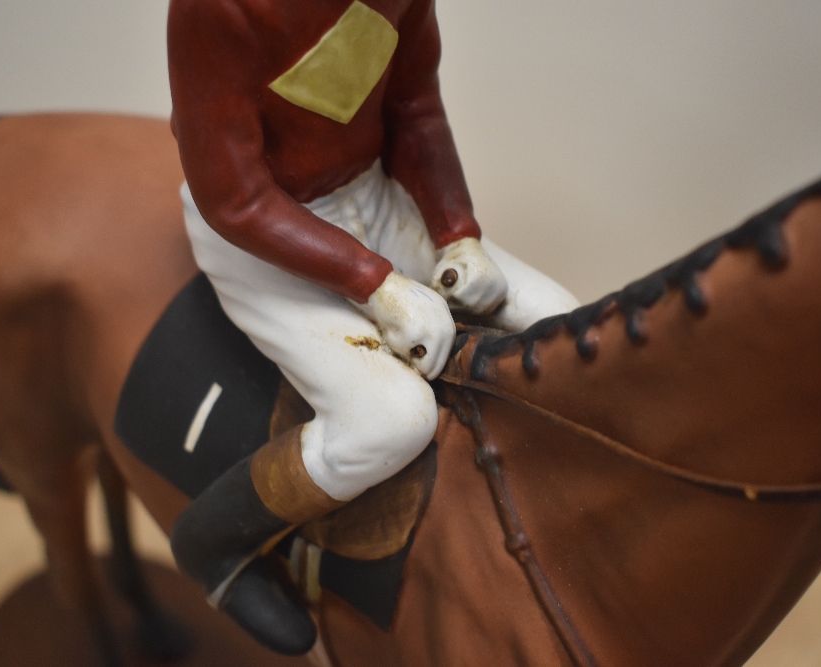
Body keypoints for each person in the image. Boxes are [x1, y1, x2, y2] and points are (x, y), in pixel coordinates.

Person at [166, 0, 578, 653]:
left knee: (561, 323)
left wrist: (457, 233)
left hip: (375, 192)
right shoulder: (215, 11)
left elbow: (415, 108)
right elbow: (234, 197)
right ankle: (213, 541)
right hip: (262, 233)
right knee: (391, 419)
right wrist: (375, 283)